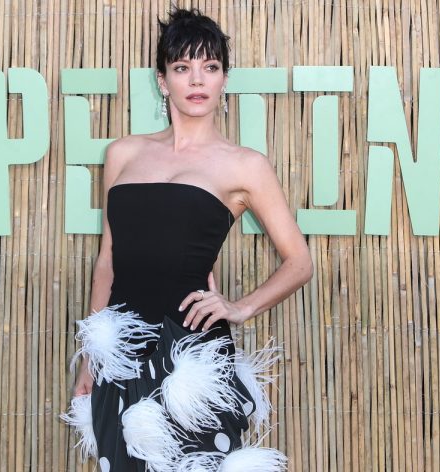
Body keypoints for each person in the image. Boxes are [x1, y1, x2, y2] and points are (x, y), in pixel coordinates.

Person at [60, 7, 313, 472]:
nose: (197, 80)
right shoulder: (123, 153)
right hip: (122, 356)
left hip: (191, 356)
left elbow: (300, 262)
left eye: (210, 67)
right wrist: (92, 360)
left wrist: (240, 307)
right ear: (162, 81)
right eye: (182, 67)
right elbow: (108, 260)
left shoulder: (245, 165)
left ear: (224, 79)